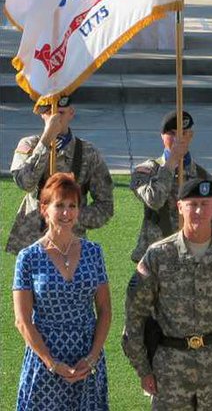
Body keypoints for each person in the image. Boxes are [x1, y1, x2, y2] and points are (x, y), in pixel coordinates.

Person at [122, 178, 212, 410]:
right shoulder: (158, 255)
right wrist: (143, 369)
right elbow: (134, 315)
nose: (198, 210)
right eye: (192, 203)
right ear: (179, 207)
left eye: (205, 204)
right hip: (170, 370)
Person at [12, 172, 112, 409]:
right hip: (45, 360)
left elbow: (105, 310)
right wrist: (51, 363)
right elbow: (22, 321)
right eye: (60, 205)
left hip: (86, 361)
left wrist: (92, 357)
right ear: (44, 209)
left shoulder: (93, 252)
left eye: (72, 206)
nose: (67, 213)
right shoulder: (28, 258)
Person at [6, 96, 114, 255]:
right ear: (42, 114)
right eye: (50, 113)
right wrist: (45, 142)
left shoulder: (87, 152)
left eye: (61, 112)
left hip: (71, 242)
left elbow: (105, 205)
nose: (55, 118)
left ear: (71, 113)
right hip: (32, 239)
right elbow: (25, 183)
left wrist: (73, 217)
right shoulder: (29, 145)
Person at [130, 110, 212, 262]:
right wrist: (171, 163)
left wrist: (208, 251)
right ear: (162, 136)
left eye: (183, 133)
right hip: (155, 257)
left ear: (191, 136)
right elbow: (154, 200)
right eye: (172, 133)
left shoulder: (203, 177)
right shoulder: (146, 171)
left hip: (192, 258)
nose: (178, 139)